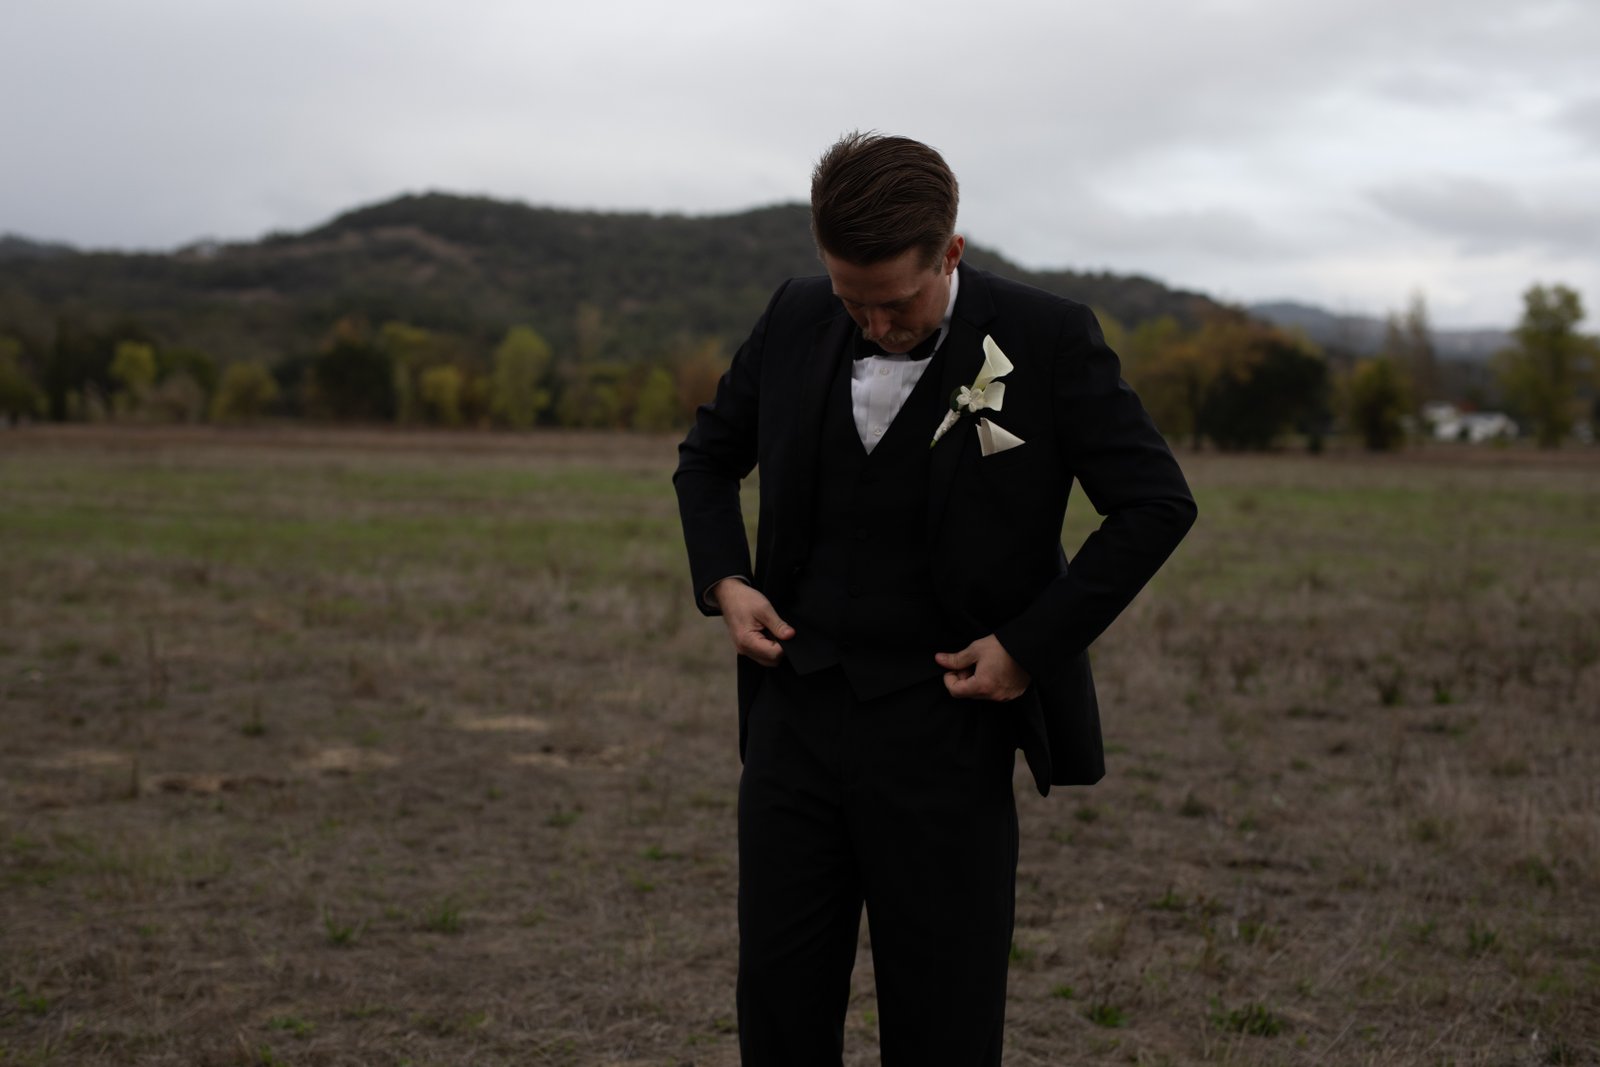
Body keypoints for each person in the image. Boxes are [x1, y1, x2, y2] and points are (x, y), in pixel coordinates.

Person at [674, 132, 1197, 1066]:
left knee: (944, 1023)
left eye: (896, 302)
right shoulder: (793, 316)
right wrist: (726, 579)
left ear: (949, 252)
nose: (873, 323)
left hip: (947, 732)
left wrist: (1028, 644)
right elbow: (708, 458)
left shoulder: (1045, 338)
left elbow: (1156, 503)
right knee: (780, 1014)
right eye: (850, 299)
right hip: (794, 722)